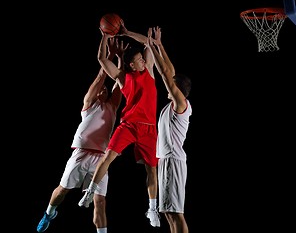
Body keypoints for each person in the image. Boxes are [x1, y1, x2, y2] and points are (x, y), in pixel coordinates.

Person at [36, 37, 124, 233]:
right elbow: (102, 75)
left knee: (100, 202)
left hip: (101, 158)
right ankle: (49, 213)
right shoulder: (89, 104)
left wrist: (120, 58)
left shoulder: (112, 106)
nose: (102, 88)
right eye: (100, 88)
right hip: (81, 153)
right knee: (63, 190)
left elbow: (119, 79)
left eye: (104, 88)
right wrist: (107, 55)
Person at [78, 24, 161, 227]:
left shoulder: (149, 70)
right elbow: (101, 59)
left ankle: (152, 209)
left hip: (149, 127)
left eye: (143, 58)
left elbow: (149, 43)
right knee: (108, 157)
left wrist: (126, 33)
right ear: (132, 65)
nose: (143, 59)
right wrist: (105, 37)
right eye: (139, 59)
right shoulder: (123, 78)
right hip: (129, 125)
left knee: (152, 170)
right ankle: (89, 192)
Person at [146, 26, 192, 233]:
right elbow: (169, 71)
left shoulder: (181, 104)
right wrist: (159, 45)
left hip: (173, 160)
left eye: (172, 86)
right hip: (165, 159)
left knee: (176, 213)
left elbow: (165, 74)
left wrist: (150, 46)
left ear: (179, 90)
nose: (167, 86)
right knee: (167, 212)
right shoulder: (171, 105)